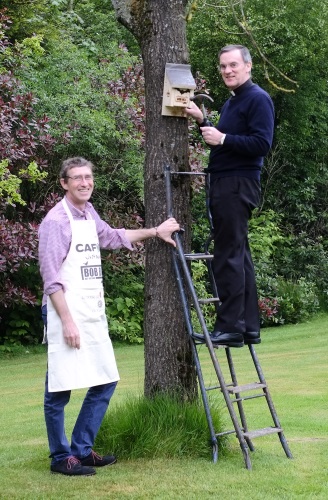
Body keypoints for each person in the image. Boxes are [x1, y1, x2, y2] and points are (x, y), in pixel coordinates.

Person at [38, 156, 180, 476]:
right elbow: (51, 280)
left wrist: (155, 231)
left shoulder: (88, 214)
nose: (84, 183)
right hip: (63, 312)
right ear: (64, 183)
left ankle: (82, 450)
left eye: (88, 177)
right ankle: (61, 458)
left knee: (106, 379)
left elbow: (113, 237)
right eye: (77, 178)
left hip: (90, 310)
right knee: (59, 388)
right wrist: (68, 322)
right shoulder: (55, 223)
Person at [186, 44, 274, 348]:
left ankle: (229, 329)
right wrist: (203, 121)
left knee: (227, 256)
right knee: (239, 255)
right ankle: (248, 327)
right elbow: (225, 144)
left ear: (248, 66)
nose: (227, 71)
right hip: (228, 182)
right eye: (223, 66)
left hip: (237, 185)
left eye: (233, 65)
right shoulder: (233, 102)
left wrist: (222, 137)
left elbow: (261, 144)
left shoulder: (258, 98)